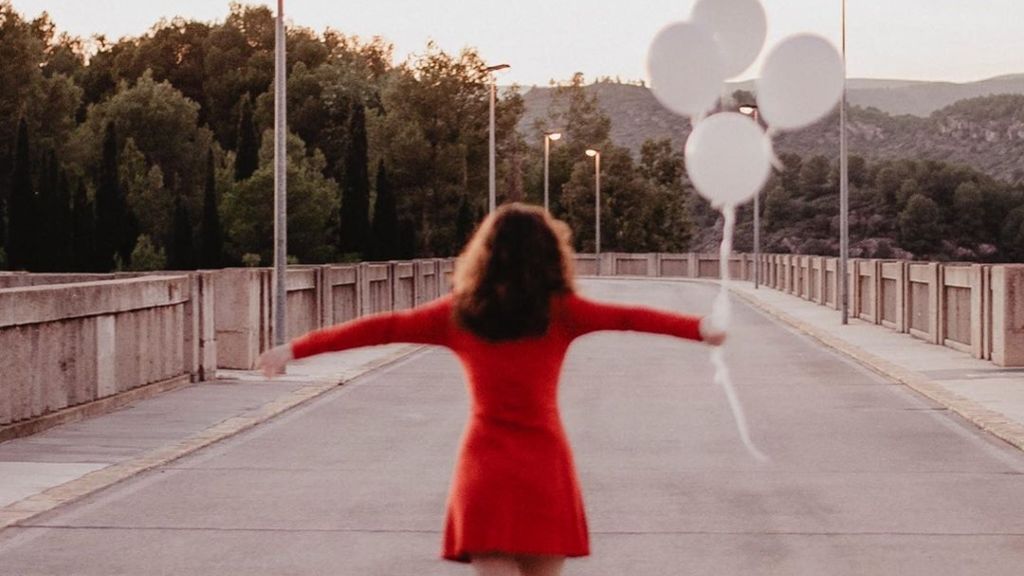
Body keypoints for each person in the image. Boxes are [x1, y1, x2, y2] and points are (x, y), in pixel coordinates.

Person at [259, 203, 725, 576]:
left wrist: (294, 349)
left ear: (484, 254)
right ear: (550, 257)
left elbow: (381, 328)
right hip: (544, 467)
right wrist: (700, 327)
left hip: (486, 470)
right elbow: (629, 318)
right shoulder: (560, 311)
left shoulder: (460, 313)